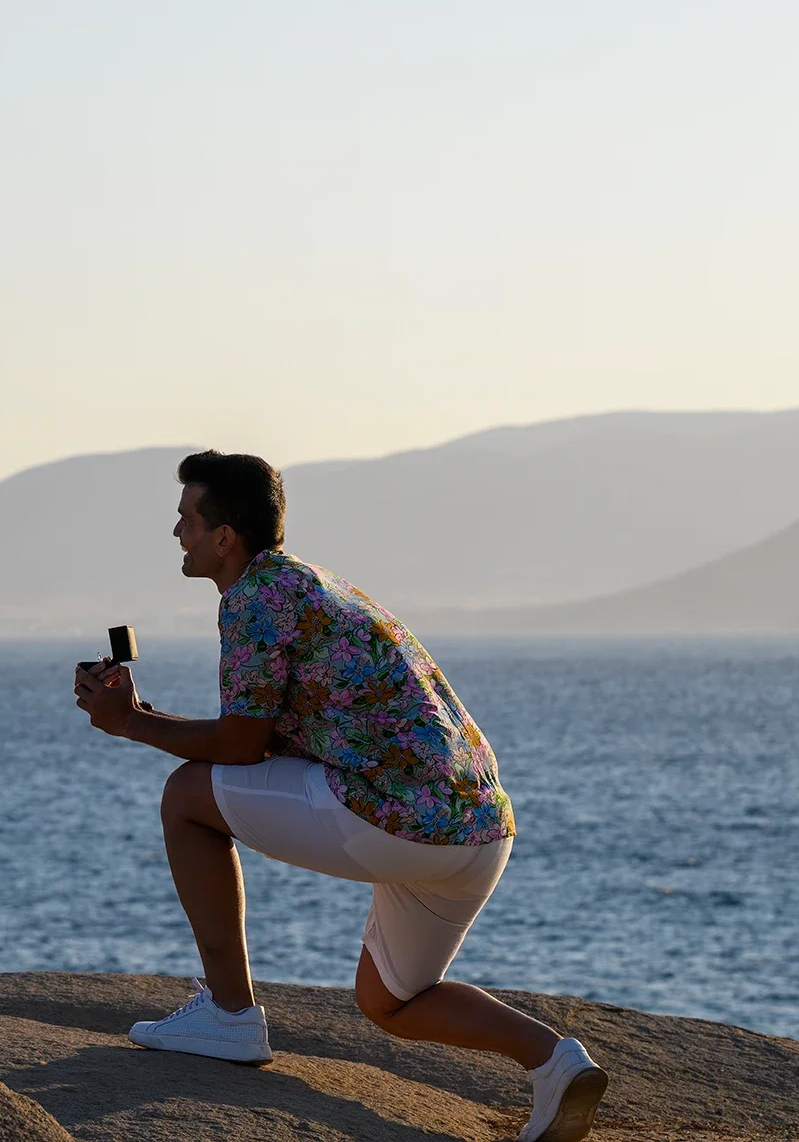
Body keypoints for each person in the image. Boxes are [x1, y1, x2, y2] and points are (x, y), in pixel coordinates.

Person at [72, 450, 604, 1142]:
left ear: (224, 536)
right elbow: (265, 737)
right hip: (479, 830)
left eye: (187, 519)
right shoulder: (315, 587)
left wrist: (132, 723)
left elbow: (241, 745)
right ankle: (556, 1060)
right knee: (391, 998)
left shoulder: (256, 597)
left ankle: (230, 1014)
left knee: (185, 798)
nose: (178, 532)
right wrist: (141, 714)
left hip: (398, 818)